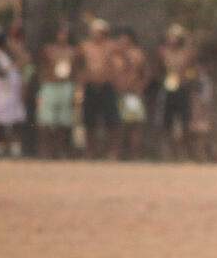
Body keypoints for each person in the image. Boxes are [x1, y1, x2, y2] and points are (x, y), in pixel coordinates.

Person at [78, 17, 121, 158]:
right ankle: (90, 150)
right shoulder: (85, 46)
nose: (97, 34)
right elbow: (78, 65)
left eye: (100, 32)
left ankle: (112, 151)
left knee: (111, 120)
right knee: (89, 120)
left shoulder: (112, 46)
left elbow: (118, 65)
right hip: (90, 86)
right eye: (94, 32)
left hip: (107, 86)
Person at [156, 23, 200, 160]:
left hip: (182, 89)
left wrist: (188, 79)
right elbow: (158, 69)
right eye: (171, 36)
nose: (173, 39)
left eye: (176, 37)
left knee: (185, 121)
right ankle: (168, 153)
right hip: (168, 89)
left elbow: (193, 65)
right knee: (166, 122)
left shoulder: (186, 52)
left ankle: (185, 153)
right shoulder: (163, 52)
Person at [36, 20, 79, 158]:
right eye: (60, 33)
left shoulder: (73, 51)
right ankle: (45, 150)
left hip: (66, 86)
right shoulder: (48, 49)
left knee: (64, 121)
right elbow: (41, 67)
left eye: (65, 34)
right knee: (46, 120)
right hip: (50, 86)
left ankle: (60, 149)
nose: (62, 36)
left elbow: (76, 70)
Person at [0, 28, 28, 156]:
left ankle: (14, 147)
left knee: (14, 121)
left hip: (11, 93)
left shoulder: (5, 54)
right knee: (1, 122)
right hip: (2, 93)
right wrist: (15, 66)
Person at [114, 27, 151, 159]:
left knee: (135, 124)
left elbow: (146, 73)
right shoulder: (113, 54)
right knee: (117, 124)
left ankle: (135, 153)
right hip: (116, 93)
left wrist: (141, 86)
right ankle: (116, 153)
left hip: (132, 94)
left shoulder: (137, 54)